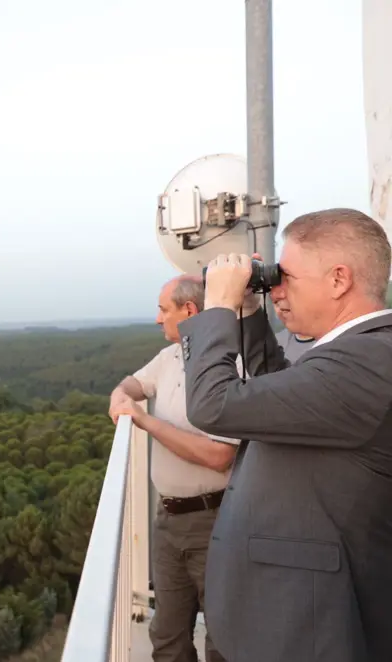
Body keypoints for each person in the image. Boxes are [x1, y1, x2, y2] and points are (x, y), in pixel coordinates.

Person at [178, 208, 392, 662]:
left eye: (285, 277)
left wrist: (217, 306)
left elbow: (213, 404)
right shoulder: (357, 354)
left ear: (339, 279)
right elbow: (283, 395)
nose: (276, 291)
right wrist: (251, 312)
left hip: (308, 627)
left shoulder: (369, 361)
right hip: (290, 613)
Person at [109, 274, 239, 662]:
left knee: (222, 635)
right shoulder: (169, 358)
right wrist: (120, 399)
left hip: (213, 520)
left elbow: (220, 456)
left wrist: (146, 422)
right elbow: (132, 385)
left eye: (163, 309)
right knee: (167, 634)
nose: (157, 319)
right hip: (167, 522)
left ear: (189, 311)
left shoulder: (230, 364)